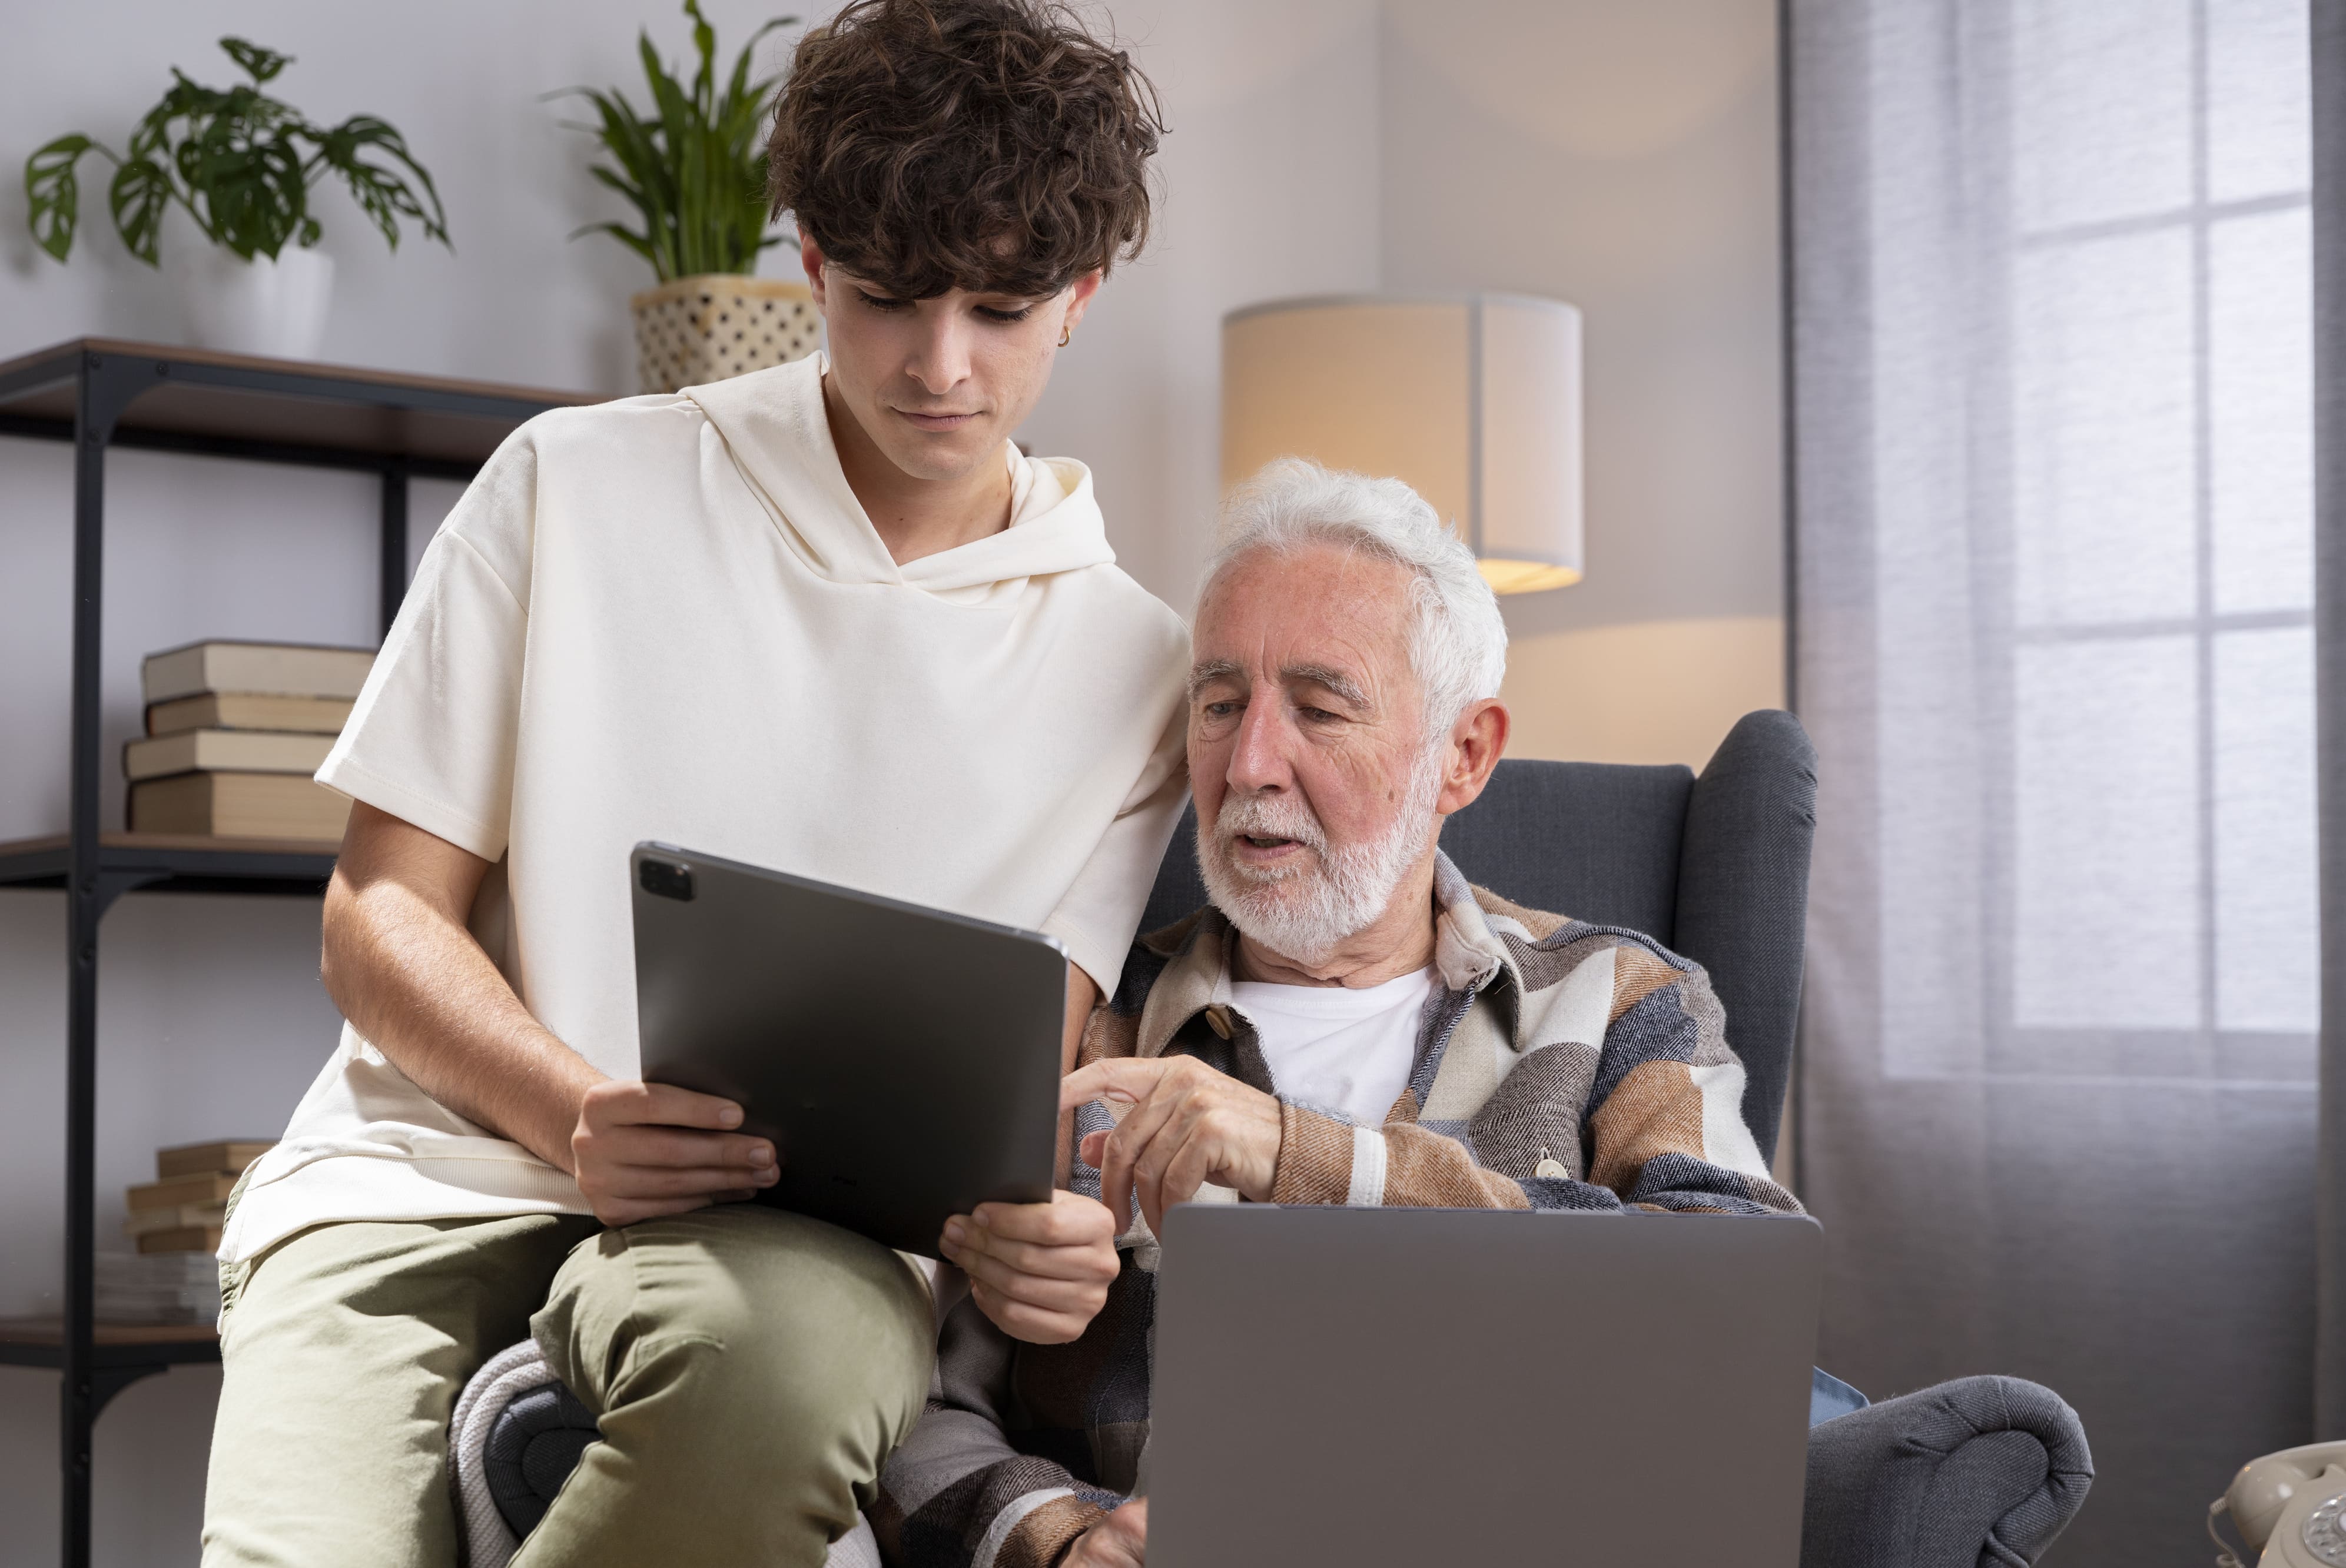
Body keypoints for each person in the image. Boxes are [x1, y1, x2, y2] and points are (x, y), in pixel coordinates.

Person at [200, 3, 1168, 1563]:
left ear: (1081, 297)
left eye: (999, 309)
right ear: (808, 269)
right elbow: (377, 916)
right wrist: (574, 1110)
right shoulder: (572, 485)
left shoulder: (1134, 667)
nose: (941, 365)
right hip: (415, 1183)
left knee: (790, 1366)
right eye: (885, 299)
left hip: (784, 1251)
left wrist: (1039, 1234)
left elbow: (1024, 1062)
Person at [876, 459, 1803, 1567]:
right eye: (1220, 705)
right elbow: (911, 1403)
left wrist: (1300, 1157)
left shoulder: (1616, 1006)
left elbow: (1733, 1317)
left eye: (1319, 708)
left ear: (1464, 755)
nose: (1250, 763)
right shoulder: (1086, 1022)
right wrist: (1057, 1543)